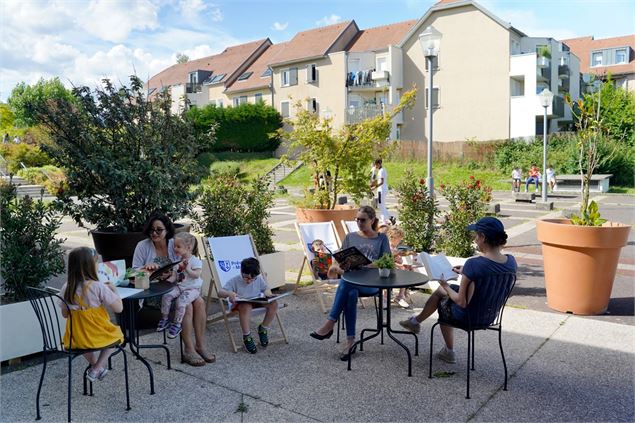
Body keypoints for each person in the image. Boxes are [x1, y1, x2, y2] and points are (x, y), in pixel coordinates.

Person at [398, 217, 517, 364]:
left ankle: (448, 350)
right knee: (444, 291)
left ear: (483, 237)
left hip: (467, 316)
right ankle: (415, 322)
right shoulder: (511, 262)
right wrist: (465, 273)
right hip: (489, 316)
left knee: (443, 297)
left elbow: (462, 302)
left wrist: (446, 285)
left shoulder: (474, 264)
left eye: (476, 236)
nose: (474, 240)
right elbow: (489, 275)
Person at [310, 206, 391, 360]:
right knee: (350, 290)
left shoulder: (381, 239)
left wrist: (369, 265)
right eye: (357, 219)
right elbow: (338, 259)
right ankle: (350, 342)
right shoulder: (350, 237)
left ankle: (330, 323)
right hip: (353, 280)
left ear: (372, 220)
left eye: (363, 220)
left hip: (371, 283)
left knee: (346, 284)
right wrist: (336, 267)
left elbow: (387, 262)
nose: (359, 223)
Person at [132, 213, 214, 366]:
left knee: (200, 302)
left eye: (159, 230)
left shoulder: (174, 243)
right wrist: (146, 269)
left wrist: (174, 272)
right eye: (151, 230)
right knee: (188, 305)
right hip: (157, 292)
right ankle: (189, 349)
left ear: (167, 230)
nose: (154, 233)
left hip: (180, 286)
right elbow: (133, 273)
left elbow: (188, 261)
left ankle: (200, 345)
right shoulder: (143, 246)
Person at [59, 247, 124, 382]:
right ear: (91, 266)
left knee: (84, 345)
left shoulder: (66, 287)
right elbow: (119, 309)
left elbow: (65, 315)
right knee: (117, 338)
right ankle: (97, 367)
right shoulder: (97, 286)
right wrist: (114, 291)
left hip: (76, 339)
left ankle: (95, 366)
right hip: (97, 335)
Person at [218, 258, 278, 354]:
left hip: (255, 301)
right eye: (246, 277)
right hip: (242, 305)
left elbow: (265, 288)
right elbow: (220, 293)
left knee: (273, 303)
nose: (249, 281)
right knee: (246, 306)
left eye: (252, 278)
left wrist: (267, 293)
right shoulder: (235, 280)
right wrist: (229, 294)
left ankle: (263, 328)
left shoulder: (258, 279)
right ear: (241, 271)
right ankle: (247, 336)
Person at [157, 232, 203, 340]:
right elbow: (174, 277)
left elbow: (196, 275)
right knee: (166, 295)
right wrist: (165, 282)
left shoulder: (195, 261)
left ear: (188, 247)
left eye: (178, 246)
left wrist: (187, 268)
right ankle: (165, 319)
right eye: (174, 246)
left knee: (181, 302)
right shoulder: (177, 261)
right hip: (180, 286)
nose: (175, 249)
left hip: (192, 288)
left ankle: (177, 324)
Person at [381, 225, 411, 309]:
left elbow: (399, 260)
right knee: (396, 271)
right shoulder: (387, 247)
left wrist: (400, 261)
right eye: (399, 239)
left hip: (394, 267)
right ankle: (385, 297)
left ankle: (400, 296)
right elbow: (386, 261)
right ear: (393, 237)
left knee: (406, 270)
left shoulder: (395, 247)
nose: (400, 241)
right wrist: (399, 264)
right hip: (385, 268)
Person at [370, 158, 394, 225]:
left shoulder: (381, 171)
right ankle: (389, 218)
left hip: (381, 190)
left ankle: (385, 220)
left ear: (379, 164)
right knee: (381, 205)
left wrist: (374, 187)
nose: (375, 166)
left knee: (380, 205)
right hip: (383, 189)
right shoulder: (383, 170)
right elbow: (378, 180)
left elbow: (382, 182)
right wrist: (372, 185)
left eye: (376, 165)